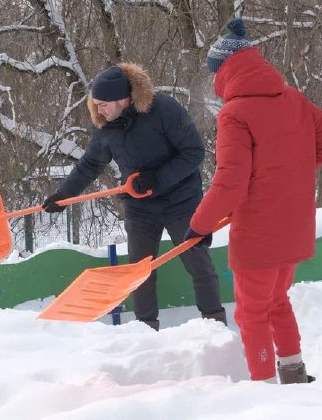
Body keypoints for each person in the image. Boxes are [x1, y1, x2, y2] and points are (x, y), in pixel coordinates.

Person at [184, 18, 322, 384]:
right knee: (277, 303)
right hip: (294, 226)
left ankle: (265, 389)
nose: (213, 82)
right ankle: (293, 372)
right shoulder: (293, 99)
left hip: (260, 232)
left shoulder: (234, 113)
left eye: (214, 73)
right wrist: (291, 174)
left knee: (252, 313)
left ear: (225, 70)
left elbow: (230, 183)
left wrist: (198, 226)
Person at [43, 63, 226, 331]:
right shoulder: (106, 127)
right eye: (95, 104)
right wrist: (63, 195)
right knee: (139, 272)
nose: (99, 110)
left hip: (181, 201)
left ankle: (215, 325)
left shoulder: (164, 109)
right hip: (140, 207)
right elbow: (90, 164)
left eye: (103, 104)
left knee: (198, 264)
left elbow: (194, 152)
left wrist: (157, 178)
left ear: (123, 99)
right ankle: (145, 331)